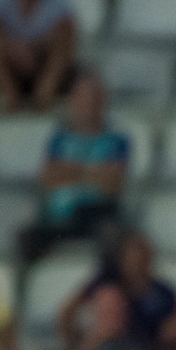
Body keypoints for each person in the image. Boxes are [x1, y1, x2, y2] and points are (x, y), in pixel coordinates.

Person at [19, 72, 129, 262]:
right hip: (61, 218)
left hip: (97, 215)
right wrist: (94, 173)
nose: (89, 105)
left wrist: (70, 172)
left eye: (94, 98)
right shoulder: (59, 140)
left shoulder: (117, 140)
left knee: (113, 237)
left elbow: (113, 184)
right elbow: (49, 180)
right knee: (27, 238)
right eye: (83, 98)